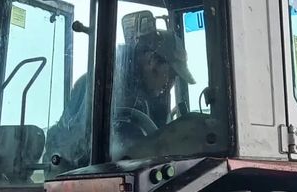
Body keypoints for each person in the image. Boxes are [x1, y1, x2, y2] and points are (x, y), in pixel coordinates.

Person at [45, 22, 194, 164]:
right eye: (172, 75)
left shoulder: (139, 91)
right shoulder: (108, 84)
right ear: (152, 61)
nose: (170, 85)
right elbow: (84, 149)